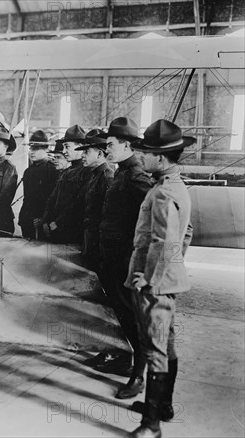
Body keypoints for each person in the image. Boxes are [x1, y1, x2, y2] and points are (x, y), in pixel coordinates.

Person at [125, 119, 194, 438]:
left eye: (147, 152)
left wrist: (148, 280)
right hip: (168, 279)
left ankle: (151, 425)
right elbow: (183, 238)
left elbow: (164, 242)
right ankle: (162, 406)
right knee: (165, 342)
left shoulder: (165, 192)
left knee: (155, 348)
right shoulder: (173, 184)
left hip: (157, 282)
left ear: (162, 159)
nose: (141, 156)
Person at [95, 117, 153, 399]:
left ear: (127, 145)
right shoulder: (120, 173)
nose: (107, 149)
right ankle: (128, 361)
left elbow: (154, 218)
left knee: (135, 319)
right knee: (123, 316)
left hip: (126, 260)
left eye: (110, 144)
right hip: (113, 257)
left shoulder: (136, 177)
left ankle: (139, 375)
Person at [39, 125, 92, 244]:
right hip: (55, 229)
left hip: (71, 232)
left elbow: (78, 204)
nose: (64, 151)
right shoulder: (66, 172)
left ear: (80, 147)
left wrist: (57, 223)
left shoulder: (86, 172)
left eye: (67, 147)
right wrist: (46, 220)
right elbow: (52, 198)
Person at [75, 128, 114, 270]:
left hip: (98, 243)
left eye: (86, 152)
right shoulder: (94, 176)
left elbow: (107, 216)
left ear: (99, 153)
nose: (82, 156)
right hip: (89, 239)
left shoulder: (107, 177)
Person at [18, 130, 59, 240]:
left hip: (42, 222)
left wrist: (43, 218)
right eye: (31, 148)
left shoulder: (52, 170)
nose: (32, 151)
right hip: (26, 220)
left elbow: (53, 199)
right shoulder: (28, 171)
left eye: (36, 148)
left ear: (46, 149)